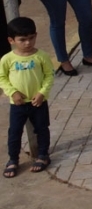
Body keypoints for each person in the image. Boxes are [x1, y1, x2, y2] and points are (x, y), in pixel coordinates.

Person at [1, 17, 54, 177]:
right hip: (17, 105)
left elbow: (49, 76)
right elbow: (2, 78)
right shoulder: (7, 59)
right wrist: (12, 92)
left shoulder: (41, 56)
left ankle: (43, 155)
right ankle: (13, 159)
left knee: (42, 129)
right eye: (22, 40)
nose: (28, 43)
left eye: (31, 38)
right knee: (15, 132)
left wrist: (42, 93)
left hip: (38, 102)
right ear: (11, 40)